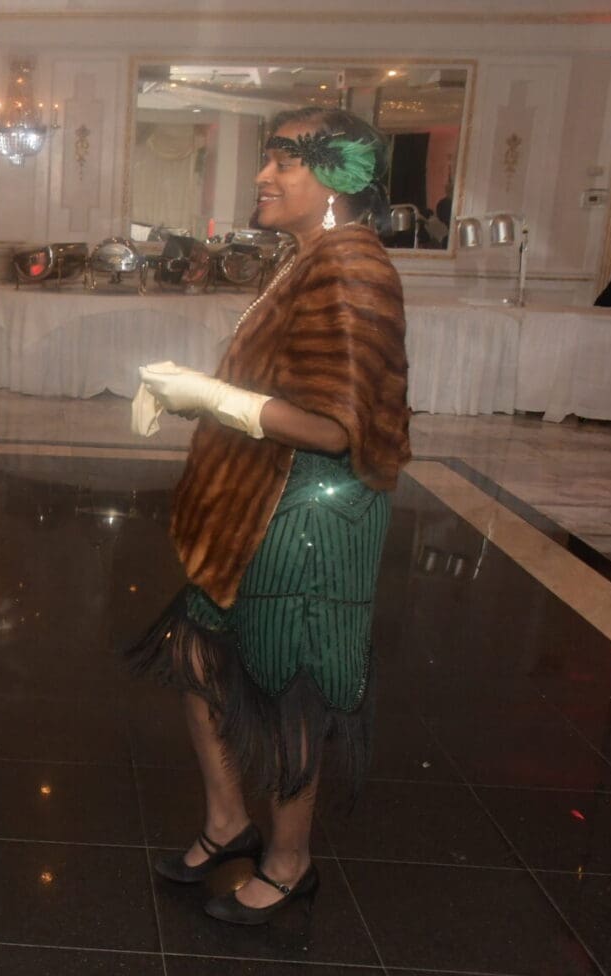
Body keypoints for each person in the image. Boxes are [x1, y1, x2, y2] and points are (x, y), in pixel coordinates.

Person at [129, 107, 411, 924]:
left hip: (316, 513)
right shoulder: (309, 257)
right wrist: (203, 396)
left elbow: (335, 425)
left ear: (334, 180)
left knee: (294, 692)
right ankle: (228, 824)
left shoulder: (352, 267)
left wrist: (215, 398)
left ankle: (290, 863)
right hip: (260, 498)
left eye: (284, 161)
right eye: (269, 159)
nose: (262, 176)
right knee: (196, 652)